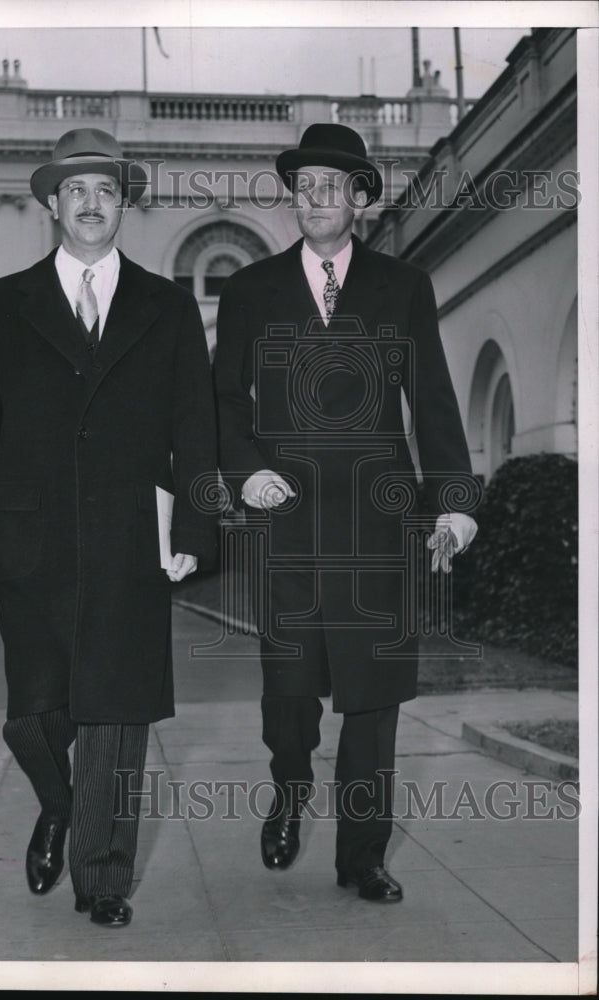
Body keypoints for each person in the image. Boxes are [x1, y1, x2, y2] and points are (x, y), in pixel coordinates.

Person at [0, 128, 217, 928]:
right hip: (28, 538)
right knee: (34, 712)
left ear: (122, 202)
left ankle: (102, 878)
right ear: (52, 203)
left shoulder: (168, 306)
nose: (91, 203)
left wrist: (193, 526)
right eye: (75, 189)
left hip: (132, 534)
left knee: (117, 707)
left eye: (105, 189)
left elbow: (194, 425)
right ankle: (59, 805)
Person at [213, 123, 478, 902]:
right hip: (286, 518)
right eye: (304, 186)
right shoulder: (250, 290)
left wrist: (453, 501)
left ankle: (362, 855)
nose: (316, 197)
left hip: (377, 520)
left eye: (332, 185)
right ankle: (289, 788)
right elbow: (222, 401)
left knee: (373, 695)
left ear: (359, 198)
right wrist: (246, 473)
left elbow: (431, 398)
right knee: (290, 689)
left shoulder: (402, 286)